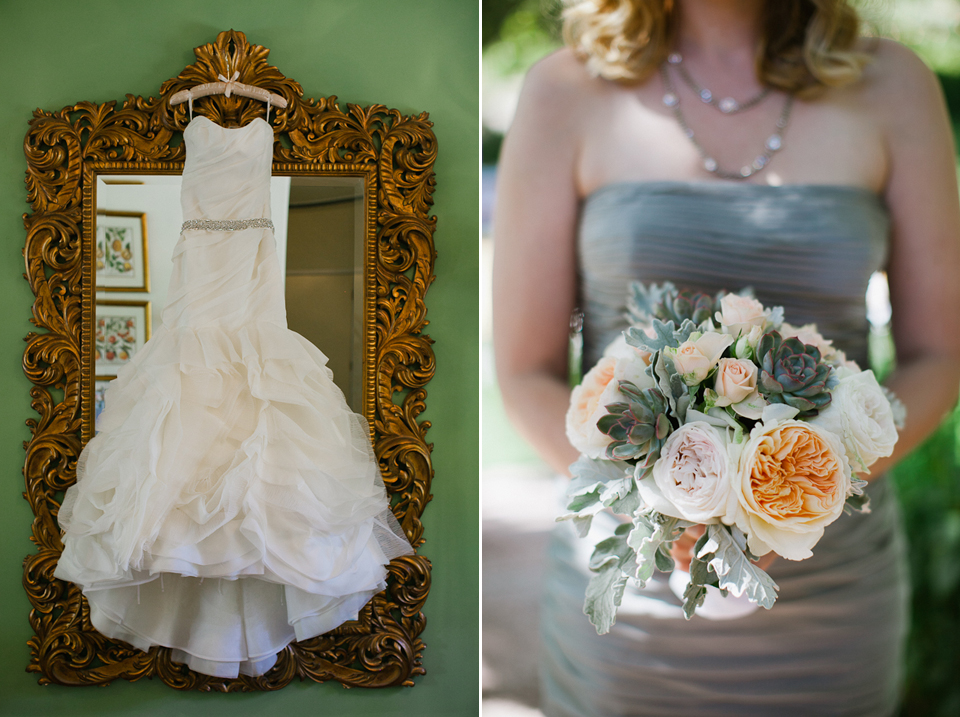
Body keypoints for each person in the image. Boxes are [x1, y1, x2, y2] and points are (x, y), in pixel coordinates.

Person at [492, 0, 960, 714]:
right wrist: (668, 507)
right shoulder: (567, 91)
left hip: (832, 599)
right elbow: (526, 370)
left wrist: (794, 491)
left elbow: (940, 354)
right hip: (635, 596)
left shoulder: (894, 85)